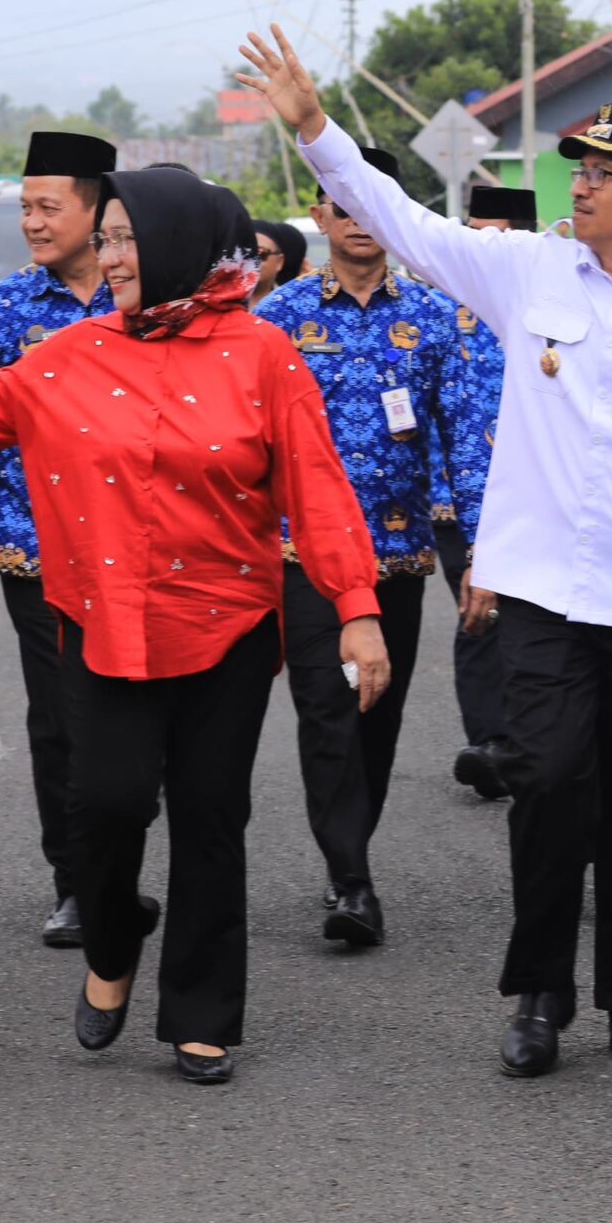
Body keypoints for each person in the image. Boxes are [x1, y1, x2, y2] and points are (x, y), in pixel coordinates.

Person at [236, 25, 612, 1080]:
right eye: (575, 168)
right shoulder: (527, 274)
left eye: (601, 173)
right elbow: (402, 223)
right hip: (540, 599)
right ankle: (539, 995)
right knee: (547, 788)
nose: (575, 187)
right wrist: (314, 128)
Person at [0, 166, 389, 1084]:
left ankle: (202, 1014)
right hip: (101, 622)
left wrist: (356, 610)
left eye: (121, 239)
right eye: (102, 239)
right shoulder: (73, 352)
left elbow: (316, 488)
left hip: (226, 628)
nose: (106, 257)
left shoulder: (263, 354)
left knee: (210, 816)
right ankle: (112, 946)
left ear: (178, 242)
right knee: (104, 806)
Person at [254, 145, 471, 946]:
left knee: (376, 714)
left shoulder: (435, 320)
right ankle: (351, 880)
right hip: (300, 556)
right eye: (341, 207)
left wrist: (475, 549)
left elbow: (465, 440)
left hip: (399, 554)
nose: (356, 222)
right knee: (328, 711)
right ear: (318, 215)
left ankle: (352, 849)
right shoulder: (274, 321)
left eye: (370, 207)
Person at [0, 131, 120, 948]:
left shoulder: (146, 301)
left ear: (96, 211)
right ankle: (77, 881)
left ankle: (116, 863)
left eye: (46, 206)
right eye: (24, 207)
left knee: (127, 721)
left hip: (137, 554)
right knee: (60, 718)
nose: (30, 221)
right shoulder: (7, 310)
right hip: (35, 552)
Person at [436, 184, 533, 801]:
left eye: (490, 232)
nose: (478, 245)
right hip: (455, 494)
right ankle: (490, 741)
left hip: (532, 489)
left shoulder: (546, 300)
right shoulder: (441, 302)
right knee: (478, 611)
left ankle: (525, 735)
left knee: (526, 614)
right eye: (470, 232)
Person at [251, 219, 309, 303]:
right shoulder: (226, 304)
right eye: (246, 253)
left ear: (279, 262)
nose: (252, 260)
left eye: (261, 253)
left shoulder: (292, 306)